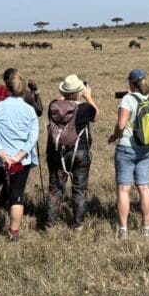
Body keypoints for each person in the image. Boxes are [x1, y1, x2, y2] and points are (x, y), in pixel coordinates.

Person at [0, 71, 40, 240]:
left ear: (6, 88)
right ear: (23, 90)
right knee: (17, 196)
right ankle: (13, 233)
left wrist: (2, 155)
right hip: (22, 161)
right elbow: (32, 137)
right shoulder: (30, 110)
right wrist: (19, 156)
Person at [45, 74, 98, 230]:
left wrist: (66, 95)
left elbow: (61, 105)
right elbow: (96, 115)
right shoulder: (84, 109)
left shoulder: (53, 106)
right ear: (78, 91)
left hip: (56, 153)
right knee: (80, 189)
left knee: (55, 189)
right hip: (80, 152)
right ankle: (78, 225)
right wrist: (88, 96)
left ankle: (50, 225)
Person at [109, 69, 149, 238]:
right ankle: (145, 229)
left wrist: (114, 136)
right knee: (144, 187)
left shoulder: (127, 99)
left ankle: (123, 230)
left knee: (123, 188)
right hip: (146, 148)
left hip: (127, 147)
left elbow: (121, 125)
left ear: (131, 82)